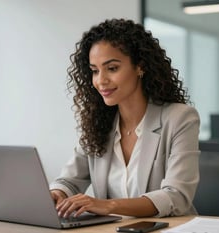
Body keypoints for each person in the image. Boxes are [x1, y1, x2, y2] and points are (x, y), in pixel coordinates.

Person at [50, 18, 200, 218]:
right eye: (95, 71)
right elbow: (69, 181)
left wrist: (108, 205)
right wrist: (56, 194)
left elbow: (176, 197)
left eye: (112, 68)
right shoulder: (99, 124)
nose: (101, 80)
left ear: (140, 67)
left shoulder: (180, 118)